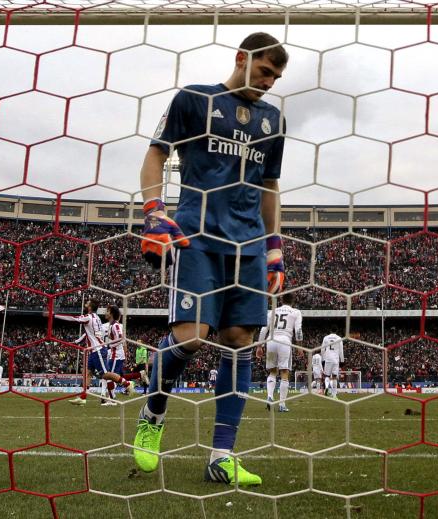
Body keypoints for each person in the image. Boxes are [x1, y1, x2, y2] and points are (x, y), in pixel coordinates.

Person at [132, 32, 288, 487]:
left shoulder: (272, 120)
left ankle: (221, 455)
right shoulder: (195, 99)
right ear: (242, 59)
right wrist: (154, 211)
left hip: (250, 246)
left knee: (240, 341)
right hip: (197, 237)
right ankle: (153, 411)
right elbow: (155, 154)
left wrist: (275, 247)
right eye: (265, 72)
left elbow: (269, 186)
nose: (270, 82)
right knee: (193, 336)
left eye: (277, 77)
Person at [49, 299, 105, 406]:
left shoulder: (88, 317)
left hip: (98, 350)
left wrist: (55, 315)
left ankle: (126, 383)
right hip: (94, 350)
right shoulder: (97, 318)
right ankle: (83, 398)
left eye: (87, 303)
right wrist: (76, 342)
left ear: (90, 307)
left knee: (105, 375)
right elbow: (89, 334)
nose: (85, 304)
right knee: (88, 374)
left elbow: (72, 319)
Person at [259, 292, 302, 412]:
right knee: (284, 372)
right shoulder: (296, 312)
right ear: (293, 301)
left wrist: (259, 346)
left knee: (272, 371)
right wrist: (299, 346)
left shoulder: (272, 311)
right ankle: (282, 405)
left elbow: (263, 329)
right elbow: (298, 330)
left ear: (281, 300)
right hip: (284, 341)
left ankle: (270, 396)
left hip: (271, 341)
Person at [100, 305, 133, 405]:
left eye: (107, 311)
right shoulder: (112, 325)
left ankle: (127, 385)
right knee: (108, 376)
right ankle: (112, 398)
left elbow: (121, 338)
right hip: (115, 353)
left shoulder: (115, 325)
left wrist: (110, 344)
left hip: (116, 354)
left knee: (109, 376)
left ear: (112, 314)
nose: (106, 313)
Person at [321, 332, 344, 399]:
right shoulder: (339, 338)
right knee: (334, 377)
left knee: (327, 376)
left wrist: (323, 358)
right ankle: (334, 395)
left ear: (330, 331)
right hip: (335, 360)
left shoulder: (326, 338)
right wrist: (342, 360)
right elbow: (341, 350)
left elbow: (322, 349)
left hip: (328, 359)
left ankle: (327, 389)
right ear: (336, 331)